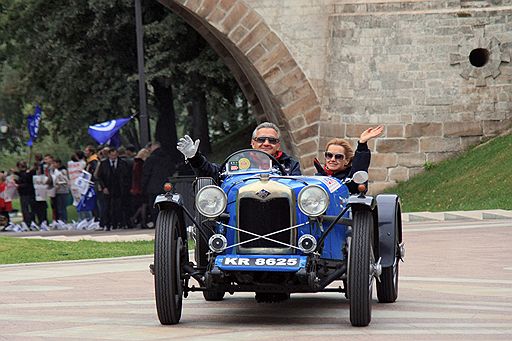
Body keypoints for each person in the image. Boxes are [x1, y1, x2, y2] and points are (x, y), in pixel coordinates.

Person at [177, 122, 301, 183]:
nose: (266, 143)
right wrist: (194, 157)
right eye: (261, 139)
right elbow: (213, 172)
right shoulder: (238, 162)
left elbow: (298, 189)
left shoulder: (291, 165)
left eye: (272, 140)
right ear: (253, 143)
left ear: (278, 145)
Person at [314, 125, 384, 194]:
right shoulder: (318, 178)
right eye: (329, 155)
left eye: (338, 156)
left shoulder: (350, 178)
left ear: (347, 161)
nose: (332, 159)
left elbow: (359, 168)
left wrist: (362, 145)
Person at [142, 142, 177, 227]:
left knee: (154, 207)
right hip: (166, 186)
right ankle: (166, 224)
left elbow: (146, 173)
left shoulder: (151, 159)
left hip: (152, 186)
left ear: (153, 147)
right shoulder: (167, 158)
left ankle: (156, 223)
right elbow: (172, 170)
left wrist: (143, 186)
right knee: (166, 205)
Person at [96, 148, 130, 230]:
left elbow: (127, 176)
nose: (114, 157)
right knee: (107, 207)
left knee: (119, 206)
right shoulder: (104, 164)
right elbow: (99, 176)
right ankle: (107, 224)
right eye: (112, 155)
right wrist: (103, 187)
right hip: (108, 187)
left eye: (115, 155)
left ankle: (119, 223)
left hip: (119, 188)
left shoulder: (123, 163)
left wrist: (125, 186)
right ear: (109, 155)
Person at [130, 148, 150, 228]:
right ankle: (141, 221)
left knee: (142, 205)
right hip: (140, 187)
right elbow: (140, 176)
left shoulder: (136, 162)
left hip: (136, 186)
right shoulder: (141, 163)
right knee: (144, 204)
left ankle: (136, 218)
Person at [14, 160, 36, 226]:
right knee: (26, 208)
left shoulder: (28, 173)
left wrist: (19, 185)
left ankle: (28, 222)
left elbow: (27, 183)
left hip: (26, 193)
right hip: (24, 193)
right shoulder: (22, 173)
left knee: (26, 208)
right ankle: (29, 221)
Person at [52, 158, 70, 223]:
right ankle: (60, 220)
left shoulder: (63, 170)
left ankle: (64, 220)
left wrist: (59, 183)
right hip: (57, 191)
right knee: (59, 207)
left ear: (58, 163)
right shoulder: (55, 171)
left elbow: (65, 180)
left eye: (54, 163)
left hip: (63, 190)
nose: (53, 165)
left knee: (62, 207)